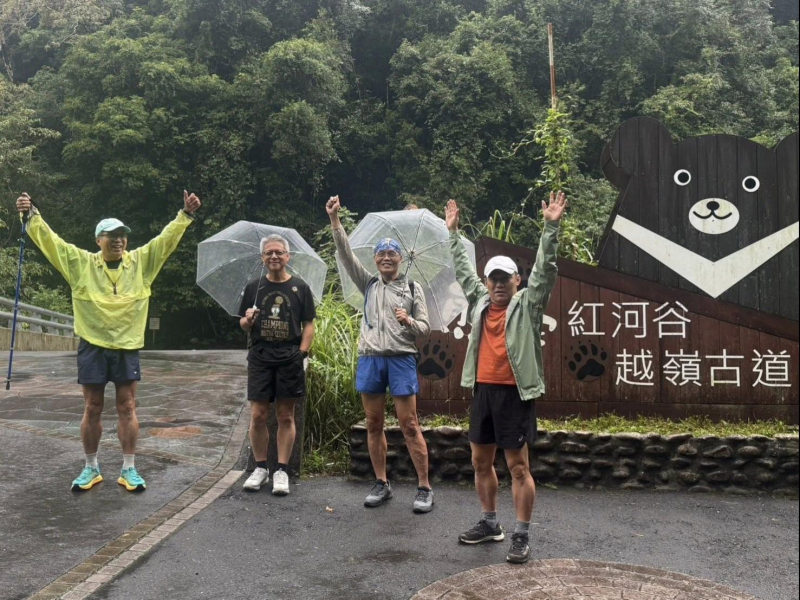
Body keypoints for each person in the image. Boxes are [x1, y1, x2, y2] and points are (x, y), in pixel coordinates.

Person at [15, 190, 202, 492]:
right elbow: (52, 244)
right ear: (98, 240)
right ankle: (91, 467)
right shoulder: (81, 264)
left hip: (127, 346)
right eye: (110, 235)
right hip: (93, 344)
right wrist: (31, 214)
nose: (117, 240)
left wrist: (185, 216)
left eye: (122, 235)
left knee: (127, 406)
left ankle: (129, 468)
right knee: (92, 407)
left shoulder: (141, 263)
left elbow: (165, 242)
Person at [445, 191, 566, 564]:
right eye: (492, 279)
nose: (498, 284)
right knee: (481, 462)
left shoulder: (528, 304)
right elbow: (465, 273)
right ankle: (490, 523)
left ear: (517, 280)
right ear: (487, 282)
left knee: (517, 466)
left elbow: (545, 268)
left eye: (505, 278)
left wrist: (551, 227)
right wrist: (452, 233)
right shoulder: (480, 302)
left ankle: (521, 533)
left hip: (515, 394)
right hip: (483, 392)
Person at [326, 195, 435, 513]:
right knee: (373, 422)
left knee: (410, 424)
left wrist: (409, 320)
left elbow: (425, 329)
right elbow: (345, 256)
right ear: (375, 259)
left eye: (392, 253)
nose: (387, 257)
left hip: (401, 358)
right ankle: (381, 483)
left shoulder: (413, 289)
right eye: (381, 253)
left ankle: (424, 488)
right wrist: (335, 221)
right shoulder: (369, 284)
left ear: (400, 258)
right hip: (370, 358)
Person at [238, 234, 316, 496]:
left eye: (279, 252)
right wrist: (249, 319)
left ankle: (281, 469)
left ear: (287, 256)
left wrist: (301, 353)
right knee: (258, 415)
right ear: (262, 258)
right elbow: (243, 324)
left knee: (285, 415)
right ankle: (260, 468)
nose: (274, 256)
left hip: (289, 358)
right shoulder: (254, 287)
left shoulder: (300, 288)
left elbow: (309, 324)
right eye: (269, 253)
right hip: (260, 356)